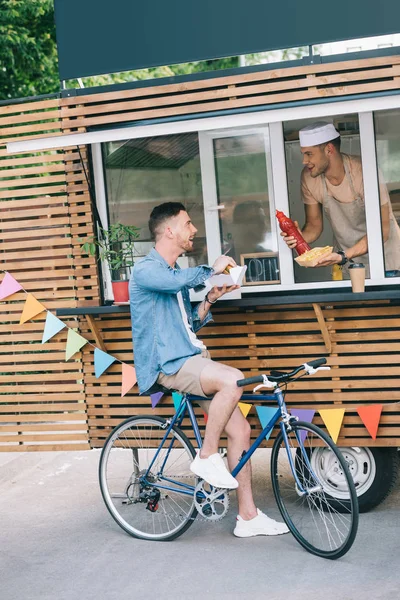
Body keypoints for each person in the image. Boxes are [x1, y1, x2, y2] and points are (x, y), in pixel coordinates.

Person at [129, 202, 288, 538]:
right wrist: (211, 271)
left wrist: (210, 297)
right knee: (232, 380)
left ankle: (247, 516)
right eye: (188, 224)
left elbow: (187, 327)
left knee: (242, 431)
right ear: (169, 230)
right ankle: (207, 454)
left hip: (188, 359)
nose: (194, 230)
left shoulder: (172, 276)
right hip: (168, 366)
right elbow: (177, 283)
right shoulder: (147, 271)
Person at [282, 121, 400, 278]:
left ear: (329, 150)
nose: (304, 161)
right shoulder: (308, 177)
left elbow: (382, 231)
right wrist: (297, 236)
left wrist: (343, 255)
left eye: (309, 154)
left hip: (387, 259)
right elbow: (314, 226)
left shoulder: (363, 171)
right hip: (348, 260)